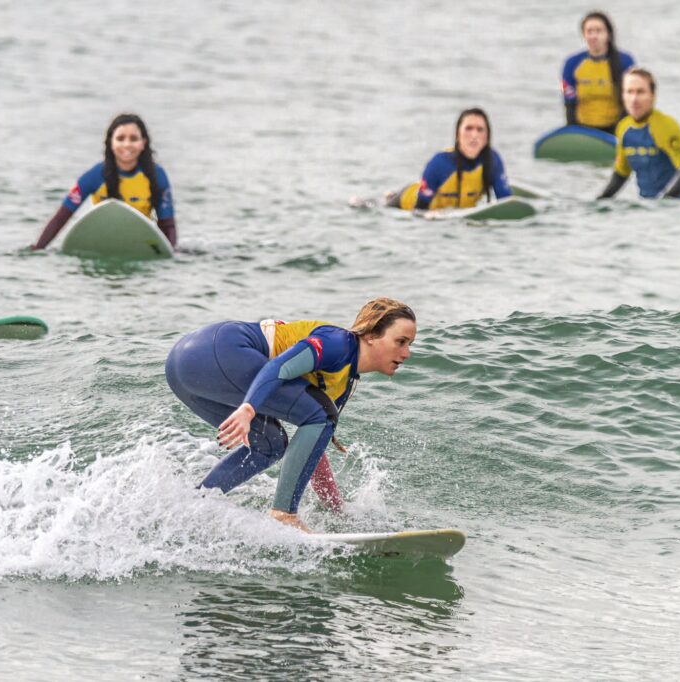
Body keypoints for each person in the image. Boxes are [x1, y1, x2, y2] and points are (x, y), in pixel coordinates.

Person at [165, 298, 417, 531]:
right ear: (372, 336)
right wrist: (248, 408)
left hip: (183, 369)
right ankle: (284, 514)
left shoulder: (343, 379)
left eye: (410, 345)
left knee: (270, 445)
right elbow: (279, 367)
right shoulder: (337, 344)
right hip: (218, 353)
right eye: (400, 342)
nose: (406, 354)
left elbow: (311, 445)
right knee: (320, 414)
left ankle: (194, 506)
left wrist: (336, 510)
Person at [31, 113, 177, 250]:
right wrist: (39, 248)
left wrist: (171, 252)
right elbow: (62, 217)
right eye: (120, 138)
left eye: (133, 139)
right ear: (110, 143)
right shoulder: (94, 176)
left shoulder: (156, 175)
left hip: (141, 243)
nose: (127, 144)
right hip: (104, 241)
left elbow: (167, 224)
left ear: (143, 143)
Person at [598, 67, 680, 200]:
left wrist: (665, 202)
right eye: (629, 92)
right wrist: (599, 202)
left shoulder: (665, 126)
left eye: (640, 92)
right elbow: (621, 174)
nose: (634, 99)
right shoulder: (623, 128)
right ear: (623, 96)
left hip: (677, 209)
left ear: (652, 95)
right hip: (646, 210)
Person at [388, 108, 512, 211]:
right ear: (458, 135)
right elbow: (419, 209)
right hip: (403, 203)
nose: (474, 135)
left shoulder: (493, 161)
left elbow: (506, 202)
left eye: (480, 130)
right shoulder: (440, 163)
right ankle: (389, 196)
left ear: (487, 137)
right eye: (468, 128)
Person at [561, 12, 635, 133]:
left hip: (615, 128)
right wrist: (573, 133)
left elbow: (630, 102)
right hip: (583, 129)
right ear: (583, 35)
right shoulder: (572, 64)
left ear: (608, 34)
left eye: (599, 31)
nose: (594, 36)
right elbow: (569, 104)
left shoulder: (625, 61)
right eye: (589, 31)